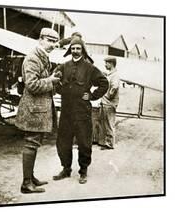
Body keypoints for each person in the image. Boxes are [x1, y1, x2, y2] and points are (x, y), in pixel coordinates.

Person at [53, 37, 109, 184]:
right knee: (63, 142)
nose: (75, 51)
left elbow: (104, 83)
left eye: (78, 48)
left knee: (84, 142)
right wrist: (59, 89)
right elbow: (54, 79)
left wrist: (91, 95)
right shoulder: (64, 66)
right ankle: (66, 169)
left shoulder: (90, 68)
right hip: (66, 111)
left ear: (83, 50)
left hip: (82, 112)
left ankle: (83, 171)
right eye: (73, 48)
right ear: (69, 50)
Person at [15, 28, 61, 194]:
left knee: (34, 144)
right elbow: (32, 85)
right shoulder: (33, 58)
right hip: (33, 109)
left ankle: (30, 177)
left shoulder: (42, 57)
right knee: (31, 143)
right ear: (41, 39)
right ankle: (26, 183)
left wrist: (52, 78)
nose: (53, 45)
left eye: (55, 42)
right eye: (50, 40)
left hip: (38, 109)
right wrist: (51, 80)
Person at [99, 57, 120, 150]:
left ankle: (110, 143)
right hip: (106, 103)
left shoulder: (114, 75)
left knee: (109, 123)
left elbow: (114, 87)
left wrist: (108, 96)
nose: (105, 65)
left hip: (109, 103)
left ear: (111, 63)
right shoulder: (111, 74)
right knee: (105, 123)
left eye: (107, 63)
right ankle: (106, 142)